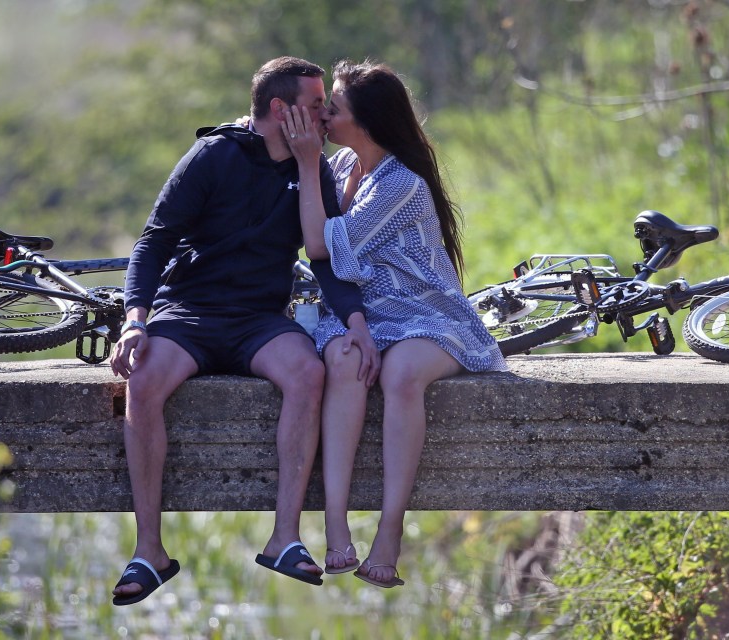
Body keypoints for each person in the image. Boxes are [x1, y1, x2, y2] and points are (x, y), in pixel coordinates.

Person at [108, 56, 381, 606]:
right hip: (190, 312)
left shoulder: (314, 168)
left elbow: (325, 260)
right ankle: (149, 552)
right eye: (313, 104)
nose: (325, 115)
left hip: (259, 320)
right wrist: (135, 320)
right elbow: (153, 242)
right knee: (141, 381)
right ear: (280, 109)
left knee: (307, 372)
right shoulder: (214, 155)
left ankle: (284, 539)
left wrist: (357, 324)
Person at [283, 59, 507, 588]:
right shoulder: (340, 167)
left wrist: (306, 162)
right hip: (366, 316)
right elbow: (315, 246)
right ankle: (335, 524)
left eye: (332, 109)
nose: (324, 117)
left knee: (400, 373)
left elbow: (320, 246)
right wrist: (313, 165)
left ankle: (390, 530)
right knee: (342, 359)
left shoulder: (399, 185)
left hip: (430, 314)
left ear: (366, 123)